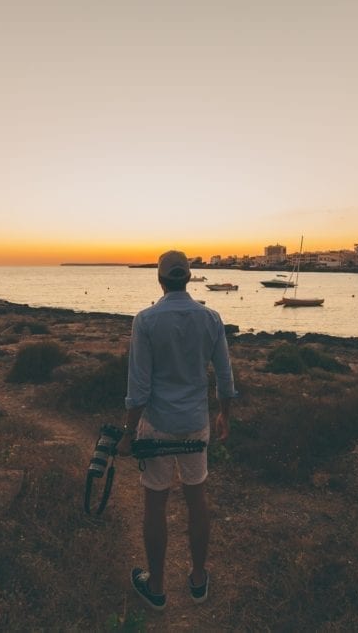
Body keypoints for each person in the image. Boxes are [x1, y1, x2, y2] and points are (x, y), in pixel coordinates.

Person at [117, 249, 238, 611]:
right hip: (194, 425)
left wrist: (127, 432)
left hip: (156, 425)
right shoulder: (211, 318)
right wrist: (224, 415)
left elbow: (138, 387)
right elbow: (225, 378)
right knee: (196, 500)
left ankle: (155, 586)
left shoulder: (146, 320)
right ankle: (198, 578)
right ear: (189, 276)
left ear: (159, 278)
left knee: (155, 505)